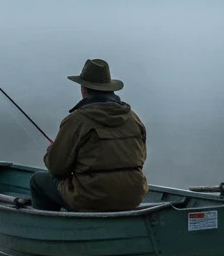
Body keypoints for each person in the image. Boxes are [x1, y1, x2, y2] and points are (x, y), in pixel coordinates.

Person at [29, 59, 148, 213]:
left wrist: (52, 152)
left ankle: (47, 229)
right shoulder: (133, 118)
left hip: (91, 198)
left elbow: (57, 168)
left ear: (84, 90)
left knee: (38, 181)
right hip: (134, 196)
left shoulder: (77, 120)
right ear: (110, 89)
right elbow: (141, 156)